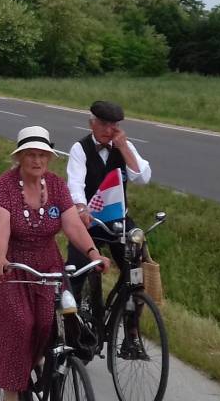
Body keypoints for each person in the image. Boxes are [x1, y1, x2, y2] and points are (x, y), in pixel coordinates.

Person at [0, 126, 110, 400]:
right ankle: (12, 389)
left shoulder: (57, 185)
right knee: (21, 323)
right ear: (19, 157)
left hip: (48, 265)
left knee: (48, 323)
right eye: (31, 155)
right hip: (13, 268)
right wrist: (0, 257)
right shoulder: (6, 185)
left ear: (49, 158)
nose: (37, 161)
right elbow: (1, 225)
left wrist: (93, 253)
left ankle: (37, 362)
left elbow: (72, 224)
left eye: (42, 155)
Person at [65, 100, 152, 300]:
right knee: (76, 271)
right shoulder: (80, 148)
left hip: (118, 219)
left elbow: (143, 178)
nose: (108, 130)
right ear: (91, 124)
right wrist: (81, 208)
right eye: (103, 124)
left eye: (113, 125)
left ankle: (127, 310)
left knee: (136, 270)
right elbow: (75, 184)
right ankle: (70, 312)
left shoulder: (125, 146)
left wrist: (124, 148)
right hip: (89, 220)